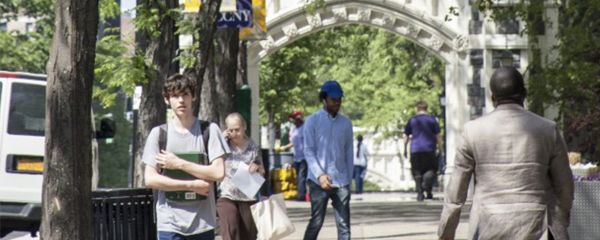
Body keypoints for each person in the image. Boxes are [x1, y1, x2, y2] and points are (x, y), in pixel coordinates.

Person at [438, 67, 574, 240]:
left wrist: (446, 234)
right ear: (524, 94)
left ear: (492, 96)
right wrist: (560, 222)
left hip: (488, 225)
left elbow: (455, 194)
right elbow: (565, 189)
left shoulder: (472, 131)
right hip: (537, 225)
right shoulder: (548, 130)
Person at [142, 74, 230, 240]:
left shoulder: (210, 130)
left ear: (194, 97)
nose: (181, 100)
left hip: (203, 223)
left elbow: (218, 173)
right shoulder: (159, 134)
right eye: (175, 96)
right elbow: (150, 179)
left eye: (185, 94)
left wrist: (179, 164)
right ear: (167, 100)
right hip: (169, 224)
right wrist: (191, 185)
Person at [303, 80, 354, 240]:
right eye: (333, 99)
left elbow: (349, 153)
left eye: (339, 99)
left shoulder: (346, 123)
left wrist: (348, 180)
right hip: (318, 181)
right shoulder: (312, 121)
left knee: (344, 226)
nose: (337, 102)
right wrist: (320, 174)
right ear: (323, 99)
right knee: (316, 222)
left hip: (341, 181)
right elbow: (308, 151)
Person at [218, 112, 265, 240]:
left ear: (244, 126)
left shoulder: (253, 147)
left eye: (237, 129)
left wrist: (256, 168)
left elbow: (262, 170)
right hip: (227, 195)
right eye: (231, 130)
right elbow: (212, 161)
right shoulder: (223, 145)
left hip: (248, 198)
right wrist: (220, 140)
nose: (234, 133)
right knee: (230, 233)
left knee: (248, 235)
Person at [403, 101, 443, 201]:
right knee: (432, 168)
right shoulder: (432, 120)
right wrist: (440, 148)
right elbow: (438, 135)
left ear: (417, 109)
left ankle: (420, 193)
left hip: (415, 149)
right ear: (426, 108)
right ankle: (426, 185)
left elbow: (406, 136)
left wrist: (404, 148)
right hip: (429, 148)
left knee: (416, 170)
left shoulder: (412, 120)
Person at [277, 110, 308, 201]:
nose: (292, 120)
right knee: (298, 176)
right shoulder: (294, 129)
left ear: (298, 119)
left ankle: (301, 196)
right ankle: (301, 194)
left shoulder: (305, 128)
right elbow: (293, 143)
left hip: (305, 157)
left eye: (293, 118)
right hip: (297, 156)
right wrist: (283, 147)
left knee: (301, 177)